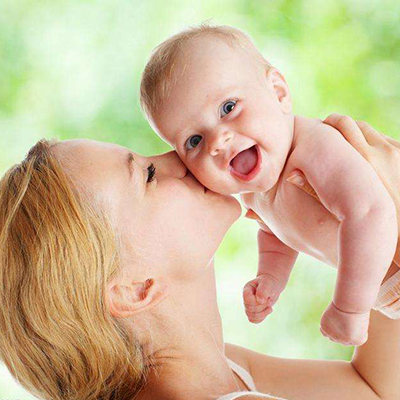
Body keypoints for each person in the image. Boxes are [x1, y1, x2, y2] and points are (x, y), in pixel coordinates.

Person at [0, 114, 399, 400]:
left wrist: (367, 241)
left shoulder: (223, 372)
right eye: (148, 175)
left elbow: (375, 388)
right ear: (135, 289)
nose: (179, 157)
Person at [139, 24, 398, 346]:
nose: (217, 141)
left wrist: (349, 310)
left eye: (228, 108)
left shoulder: (314, 146)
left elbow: (371, 214)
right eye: (194, 140)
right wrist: (270, 277)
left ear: (278, 93)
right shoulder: (253, 193)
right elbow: (277, 233)